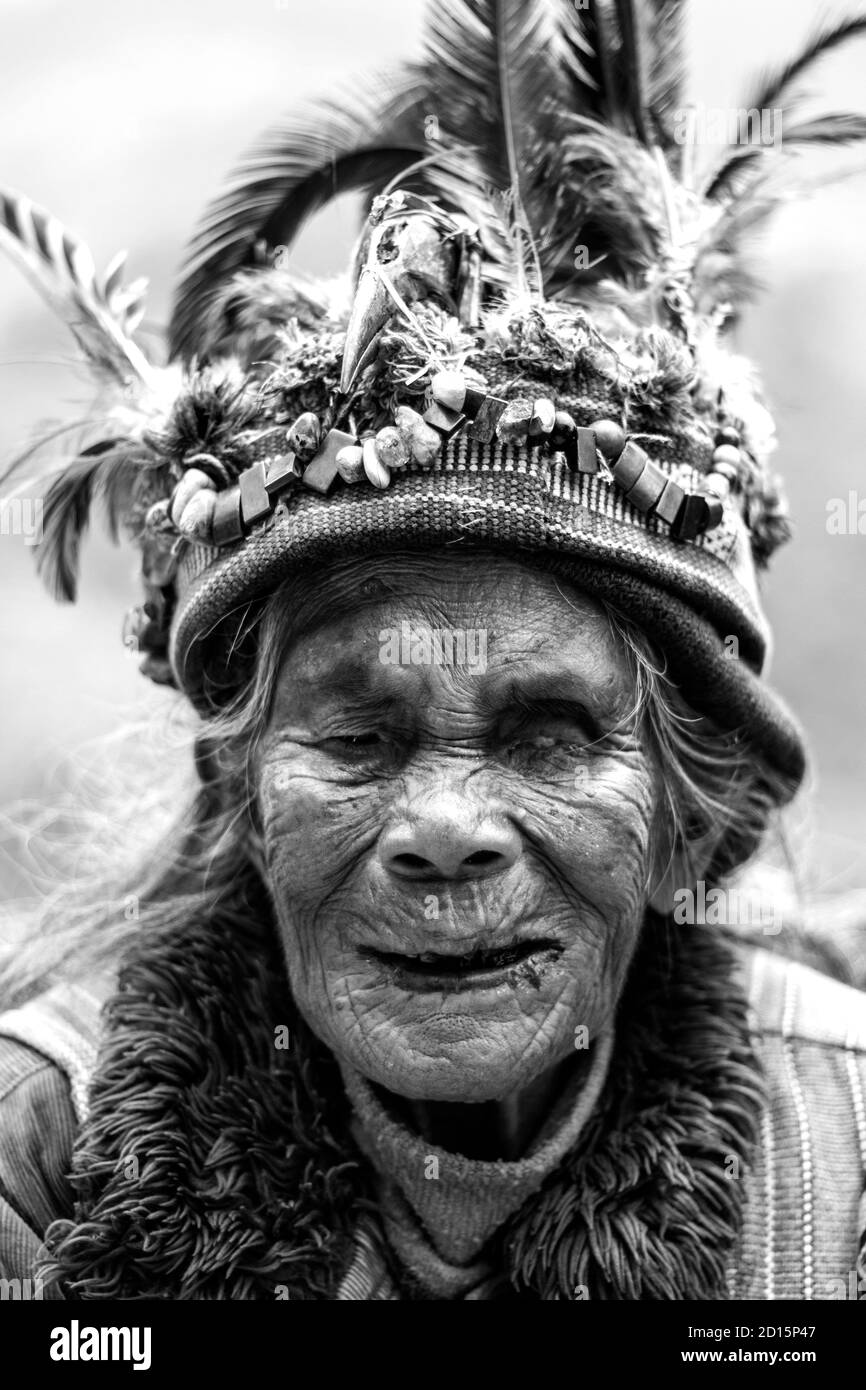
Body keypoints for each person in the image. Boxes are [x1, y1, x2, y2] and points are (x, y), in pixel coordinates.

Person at [0, 1, 864, 1301]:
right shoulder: (39, 1154)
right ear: (240, 797)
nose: (444, 827)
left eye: (548, 735)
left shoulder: (840, 1154)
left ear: (693, 818)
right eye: (355, 736)